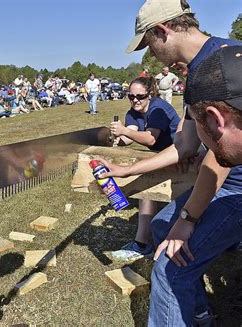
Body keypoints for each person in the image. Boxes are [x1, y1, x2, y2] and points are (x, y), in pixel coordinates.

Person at [100, 0, 242, 325]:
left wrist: (190, 218)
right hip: (221, 184)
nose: (150, 54)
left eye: (149, 44)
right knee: (163, 224)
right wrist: (127, 169)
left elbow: (218, 158)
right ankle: (196, 310)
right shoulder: (204, 68)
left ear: (162, 31)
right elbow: (186, 145)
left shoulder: (215, 67)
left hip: (233, 189)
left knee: (169, 268)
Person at [110, 76, 180, 260]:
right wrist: (118, 139)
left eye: (140, 96)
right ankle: (141, 245)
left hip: (182, 154)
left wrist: (124, 131)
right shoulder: (133, 112)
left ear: (150, 94)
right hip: (160, 155)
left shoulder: (158, 109)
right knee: (146, 190)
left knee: (185, 200)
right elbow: (131, 134)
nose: (135, 100)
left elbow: (150, 138)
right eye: (130, 96)